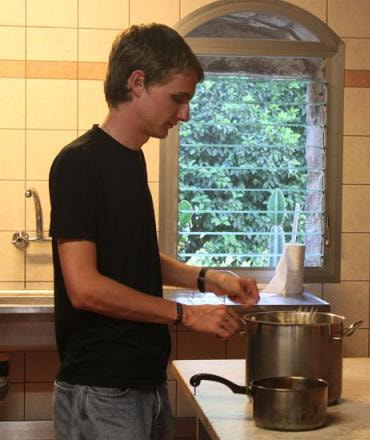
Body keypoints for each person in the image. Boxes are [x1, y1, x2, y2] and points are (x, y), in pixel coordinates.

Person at [48, 23, 259, 440]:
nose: (185, 114)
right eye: (177, 98)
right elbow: (85, 288)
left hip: (145, 385)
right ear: (138, 83)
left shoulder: (131, 160)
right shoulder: (79, 164)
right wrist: (187, 314)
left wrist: (209, 279)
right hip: (103, 391)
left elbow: (135, 258)